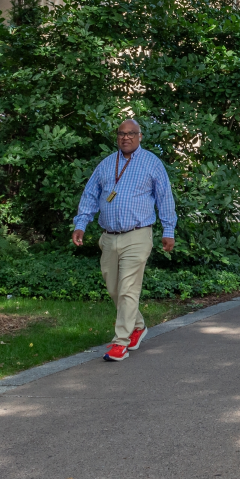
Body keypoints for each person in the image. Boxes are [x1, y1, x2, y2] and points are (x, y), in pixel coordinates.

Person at [72, 119, 176, 362]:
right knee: (115, 289)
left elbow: (165, 198)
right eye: (121, 134)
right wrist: (80, 224)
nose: (126, 137)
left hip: (138, 234)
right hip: (109, 237)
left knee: (129, 288)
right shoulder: (107, 164)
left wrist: (168, 230)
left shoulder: (152, 162)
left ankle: (120, 342)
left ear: (140, 136)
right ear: (116, 137)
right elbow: (90, 195)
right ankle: (138, 326)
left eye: (131, 134)